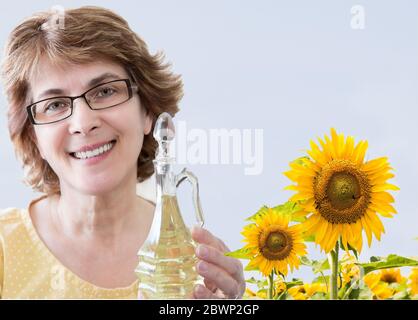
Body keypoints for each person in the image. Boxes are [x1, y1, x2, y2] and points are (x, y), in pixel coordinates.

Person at [0, 6, 245, 299]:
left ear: (148, 111)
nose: (84, 123)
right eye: (55, 105)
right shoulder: (4, 248)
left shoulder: (197, 267)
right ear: (33, 136)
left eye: (105, 91)